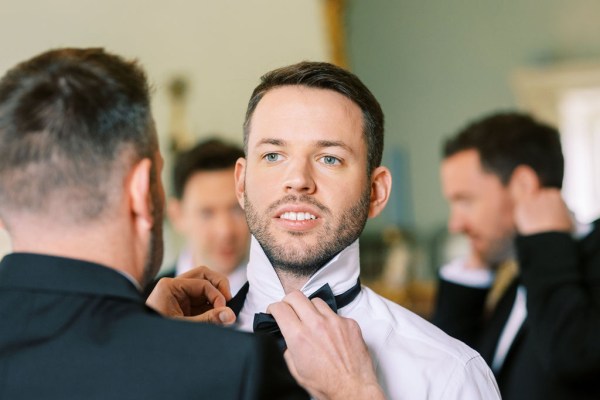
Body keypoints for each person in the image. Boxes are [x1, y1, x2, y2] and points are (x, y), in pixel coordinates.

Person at [0, 47, 378, 400]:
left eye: (329, 158)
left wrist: (144, 326)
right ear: (139, 190)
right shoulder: (233, 371)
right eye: (274, 155)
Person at [229, 61, 500, 399]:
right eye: (272, 155)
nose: (297, 180)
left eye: (329, 158)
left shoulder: (451, 375)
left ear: (376, 192)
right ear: (241, 183)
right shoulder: (171, 344)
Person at [432, 112, 598, 399]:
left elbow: (575, 360)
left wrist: (546, 241)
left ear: (523, 185)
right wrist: (475, 268)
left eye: (465, 200)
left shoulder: (557, 263)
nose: (454, 224)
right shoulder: (520, 276)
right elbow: (451, 377)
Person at [151, 138, 249, 295]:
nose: (225, 231)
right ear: (177, 216)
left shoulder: (283, 297)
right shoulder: (143, 304)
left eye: (237, 210)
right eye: (207, 213)